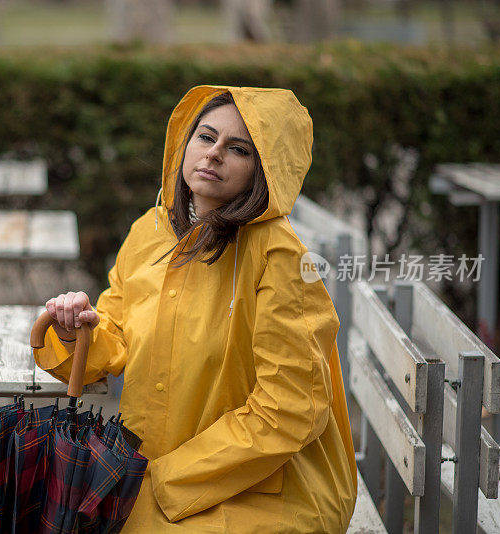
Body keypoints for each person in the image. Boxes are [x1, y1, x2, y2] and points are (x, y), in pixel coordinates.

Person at [33, 85, 357, 532]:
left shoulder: (279, 257)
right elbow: (117, 338)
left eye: (238, 148)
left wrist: (165, 480)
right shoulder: (149, 232)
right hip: (152, 471)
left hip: (265, 492)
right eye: (205, 137)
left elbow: (290, 408)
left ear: (264, 170)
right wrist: (77, 331)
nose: (214, 153)